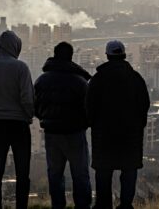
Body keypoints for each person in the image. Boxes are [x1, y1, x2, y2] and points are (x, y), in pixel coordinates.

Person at [86, 40, 150, 209]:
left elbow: (89, 107)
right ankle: (126, 204)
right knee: (129, 171)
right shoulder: (136, 79)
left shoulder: (98, 79)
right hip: (130, 137)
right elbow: (144, 105)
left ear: (107, 56)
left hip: (104, 137)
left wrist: (94, 125)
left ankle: (103, 205)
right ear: (124, 55)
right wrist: (138, 126)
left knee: (103, 172)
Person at [34, 42, 92, 209]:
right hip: (75, 133)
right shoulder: (80, 81)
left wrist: (47, 119)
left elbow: (35, 106)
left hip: (52, 134)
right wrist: (84, 124)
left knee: (55, 174)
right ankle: (82, 206)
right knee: (80, 174)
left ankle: (57, 206)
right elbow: (90, 109)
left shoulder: (42, 80)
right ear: (71, 57)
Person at [0, 30, 34, 209]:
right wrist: (29, 116)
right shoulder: (21, 67)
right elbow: (27, 98)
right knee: (22, 172)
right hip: (18, 125)